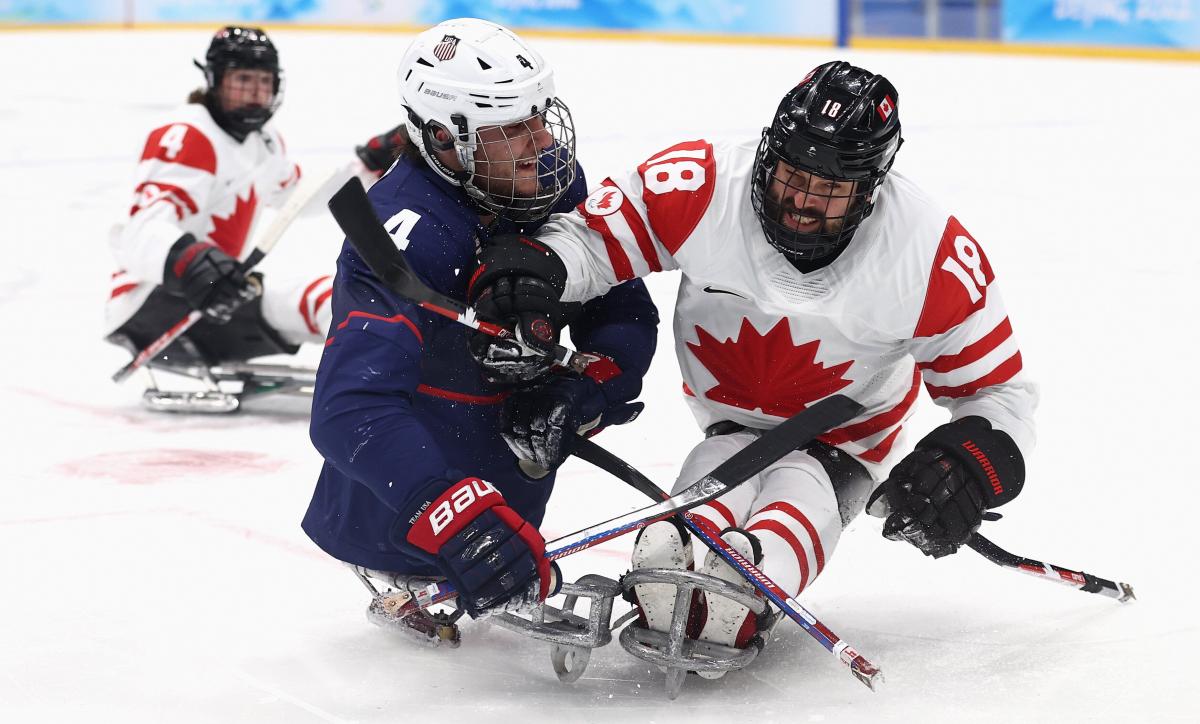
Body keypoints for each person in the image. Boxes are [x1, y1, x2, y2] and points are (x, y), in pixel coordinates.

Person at [468, 61, 1037, 674]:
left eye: (830, 190)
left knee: (798, 496)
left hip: (844, 446)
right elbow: (591, 241)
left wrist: (967, 466)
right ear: (767, 153)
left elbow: (998, 393)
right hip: (728, 429)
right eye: (792, 176)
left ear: (871, 188)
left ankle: (751, 571)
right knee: (696, 508)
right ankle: (681, 555)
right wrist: (535, 275)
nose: (801, 205)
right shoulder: (702, 184)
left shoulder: (927, 254)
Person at [302, 18, 658, 644]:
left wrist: (590, 386)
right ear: (444, 139)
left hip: (507, 504)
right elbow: (349, 410)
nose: (543, 140)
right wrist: (454, 517)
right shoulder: (404, 232)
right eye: (512, 129)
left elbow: (624, 310)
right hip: (405, 517)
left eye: (540, 117)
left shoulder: (549, 182)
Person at [105, 26, 406, 403]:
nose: (255, 92)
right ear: (214, 80)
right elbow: (137, 233)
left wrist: (369, 164)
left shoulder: (262, 141)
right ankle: (378, 392)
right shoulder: (188, 136)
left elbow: (301, 196)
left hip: (218, 297)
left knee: (344, 296)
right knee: (337, 299)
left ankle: (387, 375)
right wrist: (191, 262)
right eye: (242, 79)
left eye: (264, 81)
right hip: (158, 306)